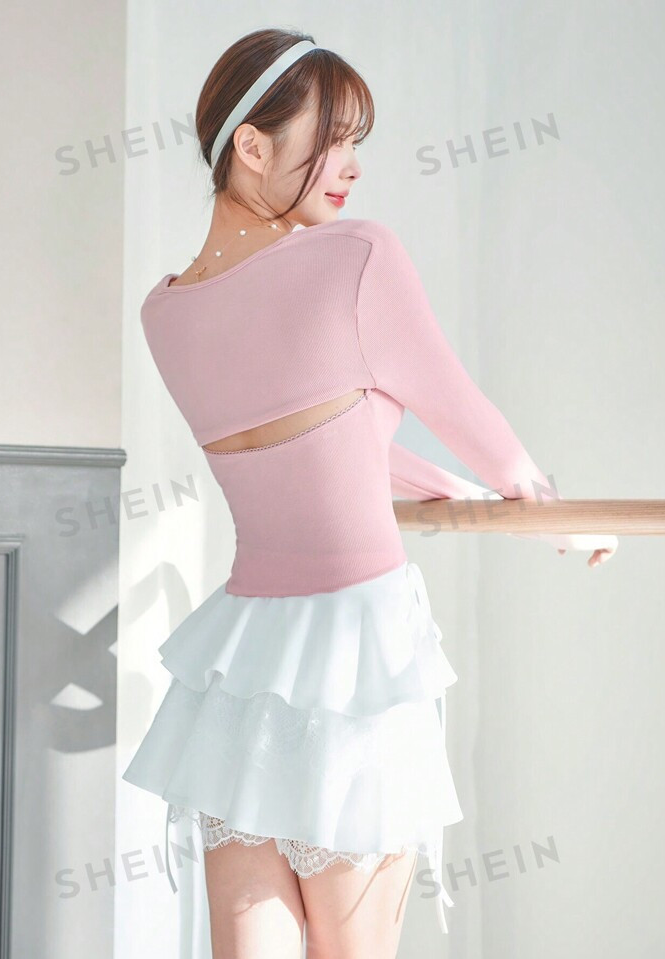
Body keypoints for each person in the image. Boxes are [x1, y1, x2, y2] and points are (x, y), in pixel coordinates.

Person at [122, 28, 618, 959]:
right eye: (334, 140)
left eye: (358, 143)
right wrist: (544, 508)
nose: (353, 167)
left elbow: (334, 455)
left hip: (243, 662)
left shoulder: (166, 312)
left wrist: (514, 516)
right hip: (359, 655)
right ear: (252, 145)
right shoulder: (354, 256)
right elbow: (459, 409)